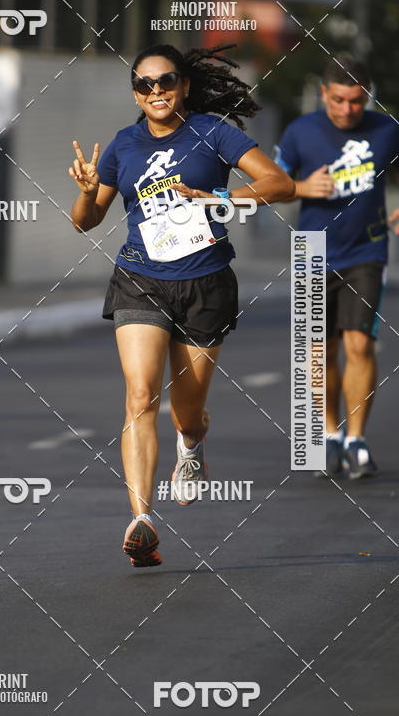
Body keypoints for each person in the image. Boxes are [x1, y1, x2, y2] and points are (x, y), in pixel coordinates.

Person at [68, 44, 294, 567]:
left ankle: (190, 446)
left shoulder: (214, 132)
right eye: (145, 84)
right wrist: (85, 191)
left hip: (205, 283)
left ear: (183, 85)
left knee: (186, 410)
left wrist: (223, 199)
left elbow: (279, 183)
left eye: (166, 81)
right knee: (141, 394)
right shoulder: (123, 145)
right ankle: (142, 519)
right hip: (139, 279)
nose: (157, 92)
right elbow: (85, 221)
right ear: (135, 92)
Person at [275, 54, 399, 479]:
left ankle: (357, 439)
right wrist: (301, 187)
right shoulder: (300, 131)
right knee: (318, 353)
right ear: (324, 93)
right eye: (340, 100)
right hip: (311, 250)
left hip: (367, 248)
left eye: (357, 102)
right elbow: (271, 184)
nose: (348, 110)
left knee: (359, 344)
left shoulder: (386, 129)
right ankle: (328, 433)